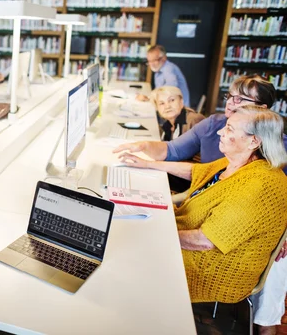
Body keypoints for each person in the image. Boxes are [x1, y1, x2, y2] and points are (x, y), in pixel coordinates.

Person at [118, 106, 287, 318]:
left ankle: (131, 313)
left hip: (212, 267)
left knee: (126, 248)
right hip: (194, 240)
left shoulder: (260, 185)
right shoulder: (239, 162)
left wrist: (155, 232)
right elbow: (198, 171)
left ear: (254, 141)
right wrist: (149, 164)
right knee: (126, 233)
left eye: (229, 129)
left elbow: (205, 241)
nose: (220, 133)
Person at [114, 75, 287, 175]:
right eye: (230, 96)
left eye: (240, 99)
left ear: (261, 108)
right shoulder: (213, 123)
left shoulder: (280, 148)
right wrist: (144, 145)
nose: (230, 103)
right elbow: (173, 150)